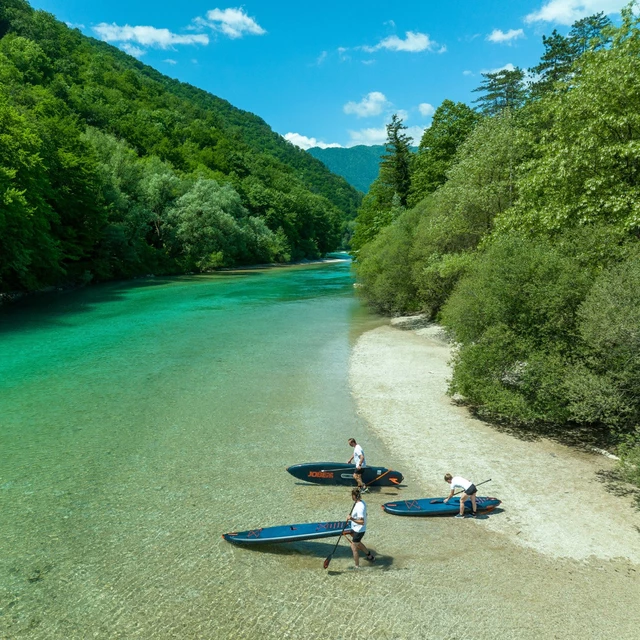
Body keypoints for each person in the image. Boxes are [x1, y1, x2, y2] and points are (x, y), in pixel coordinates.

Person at [346, 488, 375, 568]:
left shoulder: (359, 506)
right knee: (358, 543)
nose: (351, 497)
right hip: (356, 529)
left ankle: (357, 567)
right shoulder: (362, 502)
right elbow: (366, 514)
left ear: (354, 496)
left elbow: (361, 522)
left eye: (352, 495)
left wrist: (351, 518)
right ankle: (370, 556)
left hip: (359, 530)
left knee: (353, 547)